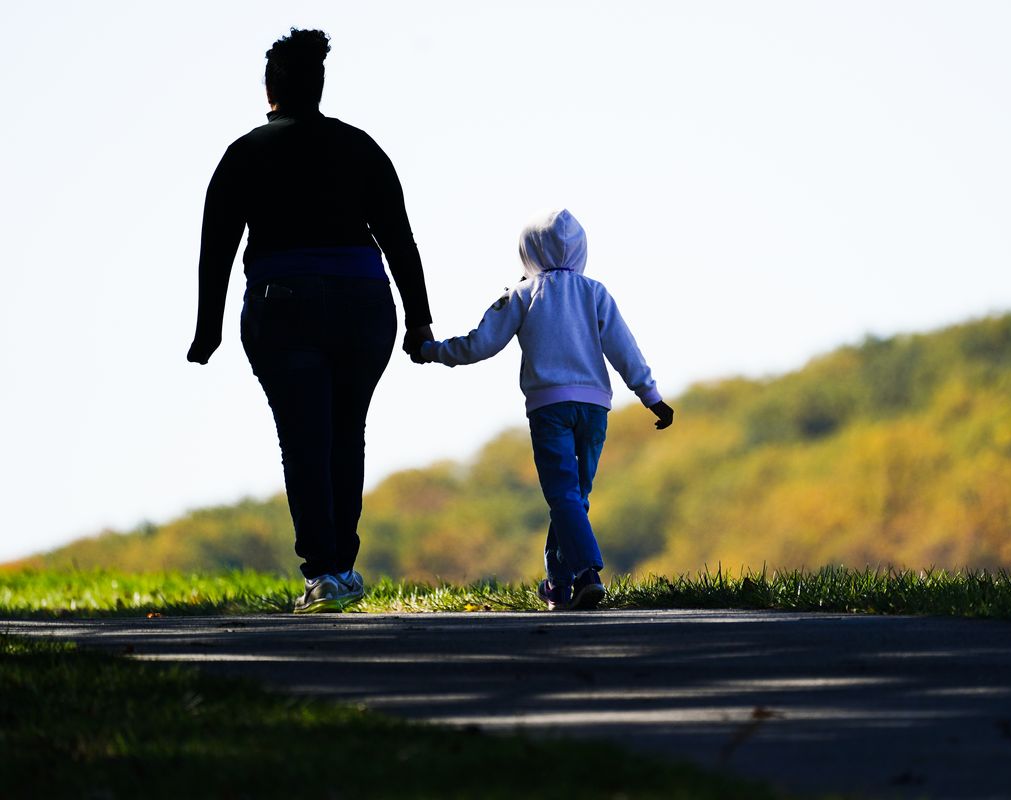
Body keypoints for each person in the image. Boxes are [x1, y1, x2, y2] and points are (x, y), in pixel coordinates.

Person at [187, 29, 434, 613]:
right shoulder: (361, 147)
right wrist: (420, 320)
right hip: (363, 302)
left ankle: (323, 572)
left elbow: (216, 243)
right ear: (320, 87)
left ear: (269, 91)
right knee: (347, 432)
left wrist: (208, 327)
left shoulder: (245, 152)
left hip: (282, 303)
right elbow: (399, 237)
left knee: (303, 439)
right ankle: (341, 568)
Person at [414, 208, 673, 610]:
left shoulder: (522, 293)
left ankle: (587, 573)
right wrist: (651, 396)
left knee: (563, 496)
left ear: (528, 251)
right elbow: (625, 349)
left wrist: (433, 351)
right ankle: (558, 583)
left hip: (549, 408)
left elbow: (480, 344)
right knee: (575, 497)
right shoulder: (595, 291)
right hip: (594, 409)